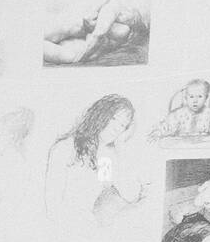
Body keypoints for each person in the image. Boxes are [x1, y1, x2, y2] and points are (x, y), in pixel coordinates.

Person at [44, 94, 146, 226]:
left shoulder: (105, 158)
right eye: (113, 119)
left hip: (89, 225)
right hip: (65, 226)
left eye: (122, 125)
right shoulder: (65, 148)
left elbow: (129, 195)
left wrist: (120, 148)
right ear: (100, 115)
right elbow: (53, 207)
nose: (117, 128)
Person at [44, 0, 150, 66]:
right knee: (69, 29)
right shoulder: (117, 6)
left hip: (89, 39)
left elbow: (99, 34)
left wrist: (94, 38)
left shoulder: (124, 28)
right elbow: (111, 3)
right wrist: (96, 28)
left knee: (69, 56)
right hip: (83, 26)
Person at [148, 79, 210, 143]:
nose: (195, 100)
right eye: (191, 97)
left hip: (202, 144)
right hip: (181, 144)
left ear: (206, 98)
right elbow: (167, 125)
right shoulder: (178, 114)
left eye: (200, 96)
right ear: (186, 98)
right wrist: (158, 132)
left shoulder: (209, 113)